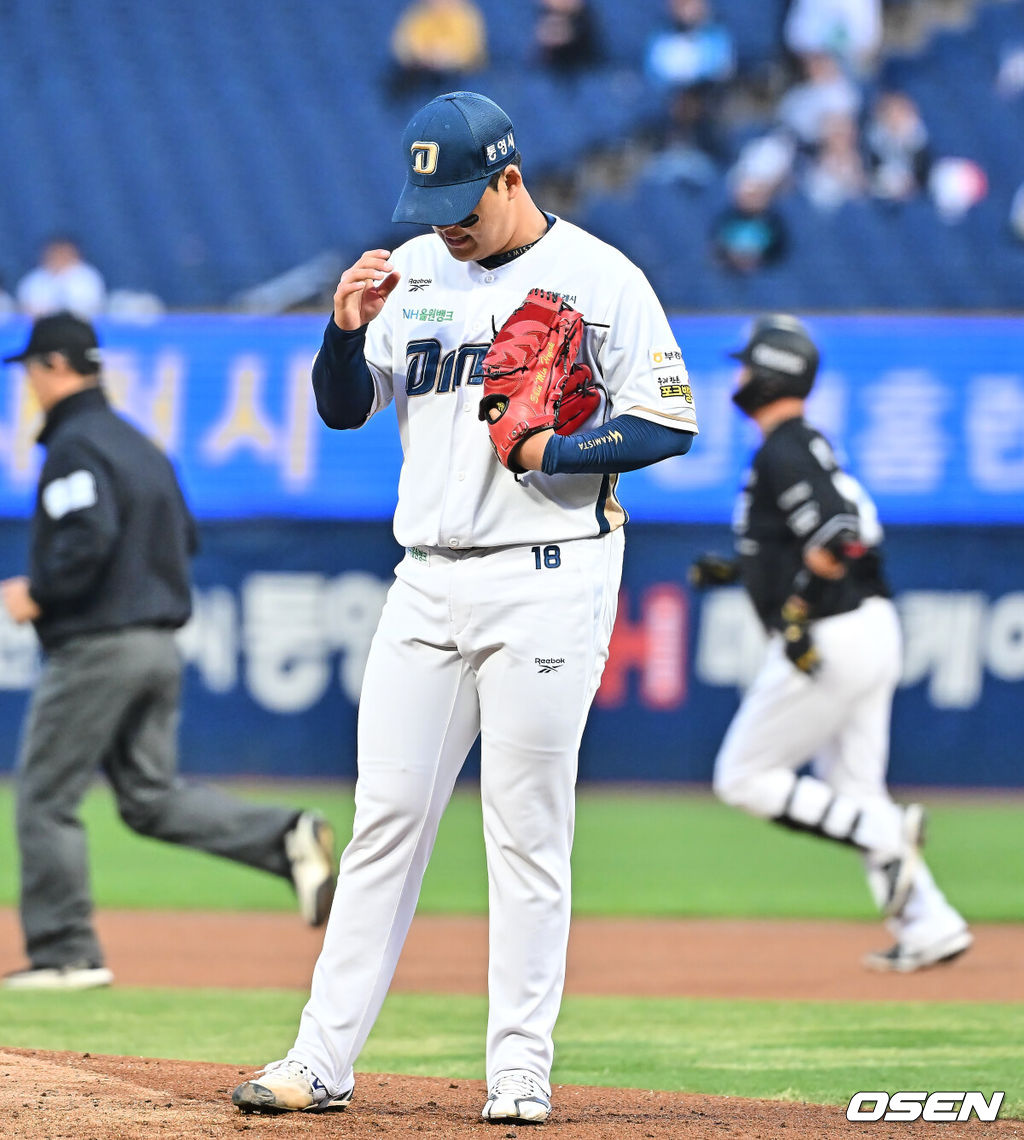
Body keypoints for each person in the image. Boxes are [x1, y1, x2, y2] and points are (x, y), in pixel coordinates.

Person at [231, 90, 699, 1123]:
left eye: (462, 203)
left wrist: (559, 450)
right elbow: (344, 409)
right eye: (430, 204)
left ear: (510, 178)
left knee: (526, 827)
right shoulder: (414, 274)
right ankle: (320, 1060)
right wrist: (342, 336)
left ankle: (519, 1068)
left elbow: (668, 421)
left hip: (549, 572)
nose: (446, 223)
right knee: (385, 821)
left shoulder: (601, 277)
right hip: (426, 578)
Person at [0, 312, 338, 991]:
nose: (28, 384)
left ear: (56, 367)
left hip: (99, 647)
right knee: (149, 798)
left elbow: (87, 535)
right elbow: (184, 538)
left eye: (32, 369)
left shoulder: (75, 444)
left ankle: (67, 953)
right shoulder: (140, 444)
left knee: (43, 798)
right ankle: (284, 836)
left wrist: (40, 590)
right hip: (157, 645)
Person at [689, 314, 972, 973]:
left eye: (746, 364)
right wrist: (743, 570)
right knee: (853, 783)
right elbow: (821, 537)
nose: (738, 376)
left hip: (831, 633)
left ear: (770, 373)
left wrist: (796, 609)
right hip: (868, 626)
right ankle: (930, 924)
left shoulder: (784, 448)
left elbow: (838, 534)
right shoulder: (804, 443)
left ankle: (886, 833)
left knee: (743, 777)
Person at [387, 0, 488, 100]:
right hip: (420, 71)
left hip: (455, 75)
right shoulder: (417, 14)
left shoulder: (465, 16)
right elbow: (402, 46)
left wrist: (447, 56)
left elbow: (472, 51)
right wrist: (423, 55)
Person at [16, 236, 107, 319]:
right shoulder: (34, 279)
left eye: (63, 253)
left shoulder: (88, 277)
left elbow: (94, 306)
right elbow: (25, 307)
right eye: (55, 253)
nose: (59, 257)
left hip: (81, 326)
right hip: (42, 326)